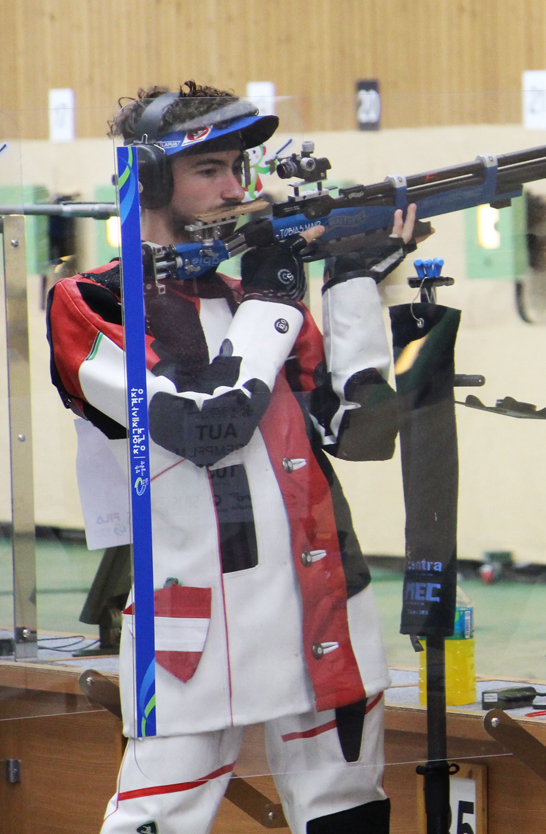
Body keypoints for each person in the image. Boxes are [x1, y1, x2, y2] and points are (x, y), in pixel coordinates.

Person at [47, 81, 417, 834]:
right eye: (209, 168)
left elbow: (362, 434)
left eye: (240, 167)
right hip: (194, 626)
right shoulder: (94, 302)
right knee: (156, 820)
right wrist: (277, 301)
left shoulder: (252, 299)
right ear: (149, 179)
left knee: (347, 812)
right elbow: (206, 425)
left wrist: (351, 286)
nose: (234, 188)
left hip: (324, 603)